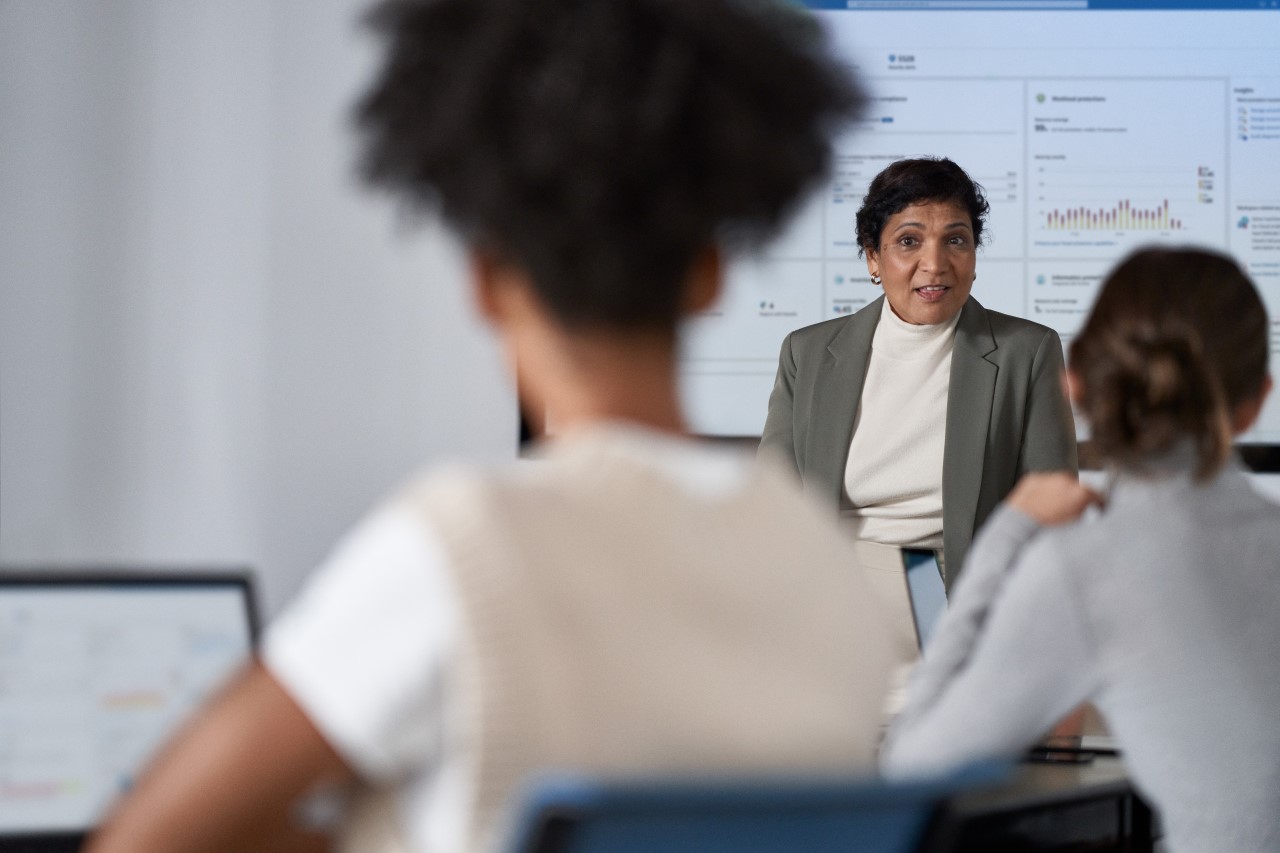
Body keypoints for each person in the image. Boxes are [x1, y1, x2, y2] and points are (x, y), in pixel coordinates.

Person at [85, 2, 895, 852]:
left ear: (484, 275)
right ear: (708, 276)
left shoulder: (467, 545)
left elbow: (142, 842)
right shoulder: (823, 567)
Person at [881, 247, 1279, 853]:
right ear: (1257, 400)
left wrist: (1006, 535)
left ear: (1076, 386)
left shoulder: (1088, 569)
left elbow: (910, 769)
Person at [759, 156, 1077, 667]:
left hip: (933, 582)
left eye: (956, 239)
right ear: (872, 257)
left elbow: (1052, 513)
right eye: (909, 241)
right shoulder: (809, 352)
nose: (935, 263)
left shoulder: (1026, 351)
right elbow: (771, 504)